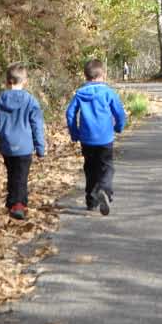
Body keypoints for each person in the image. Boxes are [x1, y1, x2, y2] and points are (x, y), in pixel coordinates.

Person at [0, 63, 46, 221]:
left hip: (7, 146)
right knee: (21, 177)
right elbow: (37, 126)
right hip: (24, 147)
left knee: (12, 174)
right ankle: (18, 205)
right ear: (25, 81)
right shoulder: (31, 101)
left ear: (7, 81)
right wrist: (40, 148)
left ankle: (11, 203)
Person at [65, 58, 127, 216]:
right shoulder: (108, 93)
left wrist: (74, 132)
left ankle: (91, 202)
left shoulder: (79, 94)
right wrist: (119, 127)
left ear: (85, 76)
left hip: (87, 139)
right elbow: (119, 113)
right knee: (107, 167)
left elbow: (70, 113)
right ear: (103, 75)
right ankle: (104, 189)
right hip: (105, 138)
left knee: (90, 168)